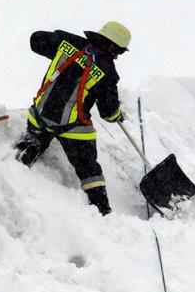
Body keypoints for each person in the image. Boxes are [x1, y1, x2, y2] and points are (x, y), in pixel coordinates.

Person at [15, 21, 131, 216]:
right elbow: (108, 112)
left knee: (32, 142)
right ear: (113, 47)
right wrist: (117, 115)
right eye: (118, 51)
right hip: (72, 129)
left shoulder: (67, 41)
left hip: (40, 117)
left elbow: (36, 40)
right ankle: (102, 209)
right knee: (88, 167)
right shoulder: (108, 71)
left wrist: (58, 41)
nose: (117, 56)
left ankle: (19, 167)